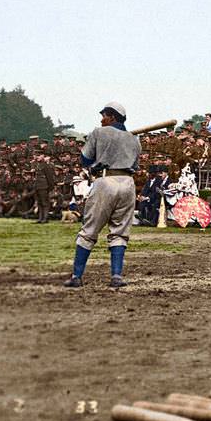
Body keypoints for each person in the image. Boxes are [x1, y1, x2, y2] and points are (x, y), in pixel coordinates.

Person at [65, 101, 142, 288]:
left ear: (113, 117)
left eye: (104, 116)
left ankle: (77, 276)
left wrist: (99, 156)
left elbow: (84, 159)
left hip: (106, 180)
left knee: (89, 229)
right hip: (128, 183)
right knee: (120, 231)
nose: (101, 120)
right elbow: (136, 165)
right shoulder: (135, 139)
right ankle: (116, 276)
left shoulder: (99, 132)